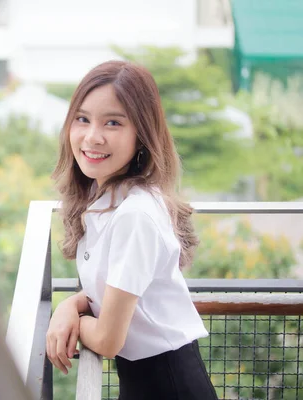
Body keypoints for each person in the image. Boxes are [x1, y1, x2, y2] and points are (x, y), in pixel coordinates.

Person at [46, 60, 218, 399]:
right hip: (147, 380)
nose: (92, 137)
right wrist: (70, 306)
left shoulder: (134, 214)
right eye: (82, 119)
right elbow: (114, 293)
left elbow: (109, 339)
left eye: (113, 122)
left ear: (141, 134)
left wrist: (73, 322)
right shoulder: (107, 196)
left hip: (169, 384)